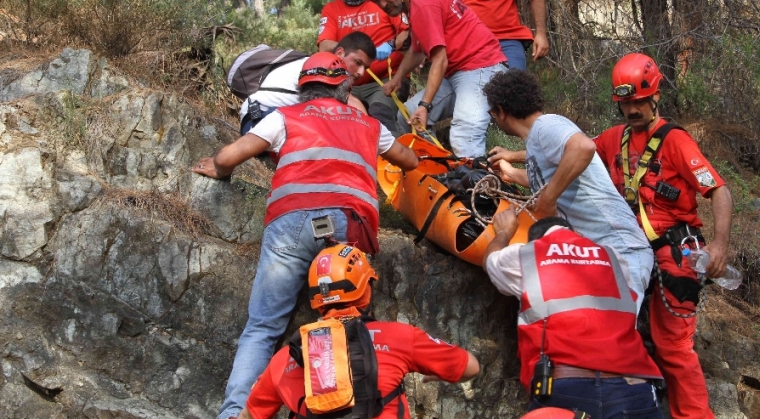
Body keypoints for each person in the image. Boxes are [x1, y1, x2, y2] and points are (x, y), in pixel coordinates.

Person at [192, 52, 419, 419]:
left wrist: (219, 168)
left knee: (264, 327)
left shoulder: (285, 116)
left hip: (291, 223)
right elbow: (408, 161)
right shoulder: (368, 125)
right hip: (350, 226)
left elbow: (230, 155)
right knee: (348, 323)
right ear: (345, 88)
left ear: (303, 88)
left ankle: (234, 413)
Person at [593, 53, 733, 419]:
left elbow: (718, 190)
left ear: (654, 96)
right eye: (625, 103)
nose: (632, 109)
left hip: (675, 253)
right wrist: (516, 157)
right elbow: (570, 156)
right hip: (630, 254)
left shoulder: (675, 142)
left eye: (639, 101)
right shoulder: (614, 140)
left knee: (673, 345)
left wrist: (719, 246)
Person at [237, 243, 480, 419]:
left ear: (316, 299)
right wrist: (443, 373)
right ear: (366, 290)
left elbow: (250, 415)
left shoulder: (286, 358)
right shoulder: (400, 337)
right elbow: (470, 367)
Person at [483, 69, 654, 308]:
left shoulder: (546, 125)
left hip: (621, 249)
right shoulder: (535, 141)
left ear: (501, 112)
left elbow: (583, 147)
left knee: (613, 333)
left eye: (492, 114)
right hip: (594, 255)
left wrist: (549, 198)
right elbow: (549, 178)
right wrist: (510, 174)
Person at [484, 211, 664, 419]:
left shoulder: (526, 254)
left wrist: (504, 232)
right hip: (634, 388)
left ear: (535, 239)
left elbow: (491, 262)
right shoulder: (613, 257)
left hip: (566, 390)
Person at [357, 0, 508, 159]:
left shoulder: (422, 6)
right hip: (457, 74)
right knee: (407, 118)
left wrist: (425, 105)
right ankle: (441, 174)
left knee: (464, 135)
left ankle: (481, 186)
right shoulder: (415, 3)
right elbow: (418, 49)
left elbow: (440, 60)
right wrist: (398, 78)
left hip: (482, 68)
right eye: (377, 1)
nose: (383, 4)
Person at [317, 0, 410, 136]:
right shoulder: (331, 10)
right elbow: (324, 46)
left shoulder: (382, 0)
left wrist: (390, 46)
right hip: (346, 84)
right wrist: (356, 52)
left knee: (380, 115)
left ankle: (396, 161)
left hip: (386, 80)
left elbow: (405, 33)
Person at [238, 32, 375, 135]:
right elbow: (355, 109)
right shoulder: (321, 68)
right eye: (357, 63)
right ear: (339, 53)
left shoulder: (311, 63)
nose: (361, 72)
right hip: (261, 119)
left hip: (266, 118)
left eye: (366, 68)